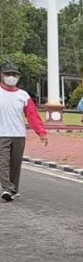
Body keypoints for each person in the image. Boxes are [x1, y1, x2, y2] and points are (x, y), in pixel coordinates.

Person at [0, 63, 48, 202]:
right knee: (2, 162)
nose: (11, 77)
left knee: (15, 163)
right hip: (2, 134)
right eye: (8, 74)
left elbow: (32, 116)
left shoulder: (23, 95)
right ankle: (7, 188)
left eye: (14, 75)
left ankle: (13, 189)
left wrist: (41, 133)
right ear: (2, 75)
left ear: (18, 77)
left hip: (19, 135)